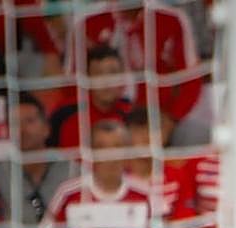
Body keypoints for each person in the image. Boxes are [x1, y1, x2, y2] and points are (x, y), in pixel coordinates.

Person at [38, 120, 157, 228]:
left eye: (117, 146)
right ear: (90, 153)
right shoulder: (69, 194)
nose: (109, 155)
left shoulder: (145, 196)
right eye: (101, 147)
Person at [70, 1, 204, 144]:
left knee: (196, 135)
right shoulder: (86, 22)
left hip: (162, 122)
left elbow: (191, 80)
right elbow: (72, 84)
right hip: (102, 125)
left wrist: (172, 119)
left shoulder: (172, 18)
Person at [0, 94, 77, 225]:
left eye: (29, 121)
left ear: (46, 129)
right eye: (14, 124)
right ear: (7, 132)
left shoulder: (72, 170)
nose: (21, 130)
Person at [50, 45, 133, 150]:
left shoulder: (131, 113)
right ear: (87, 79)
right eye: (98, 73)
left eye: (113, 73)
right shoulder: (64, 114)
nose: (105, 81)